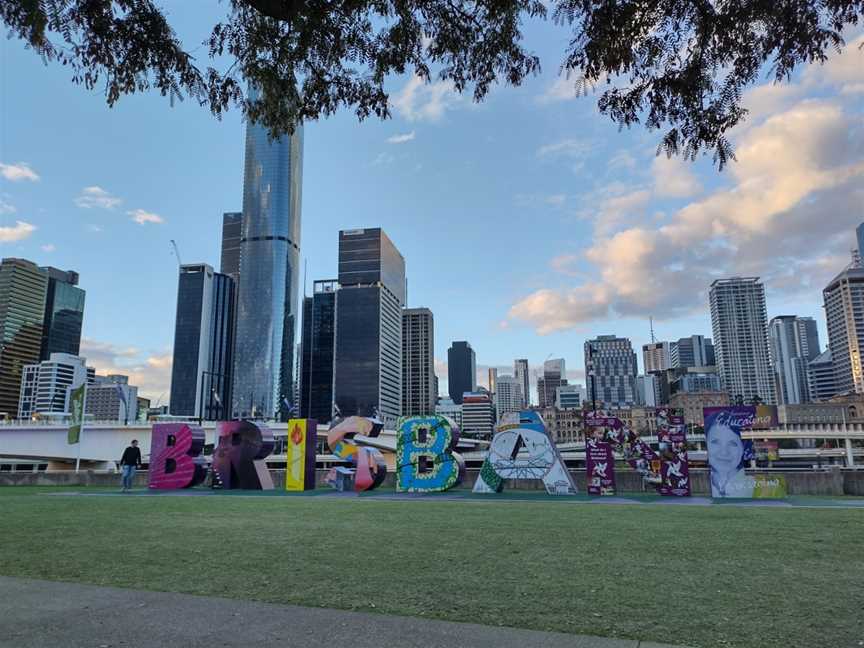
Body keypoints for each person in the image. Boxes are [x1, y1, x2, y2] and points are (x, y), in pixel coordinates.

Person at [706, 422, 754, 498]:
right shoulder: (706, 485)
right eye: (716, 442)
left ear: (742, 449)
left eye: (732, 444)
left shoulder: (759, 488)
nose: (724, 452)